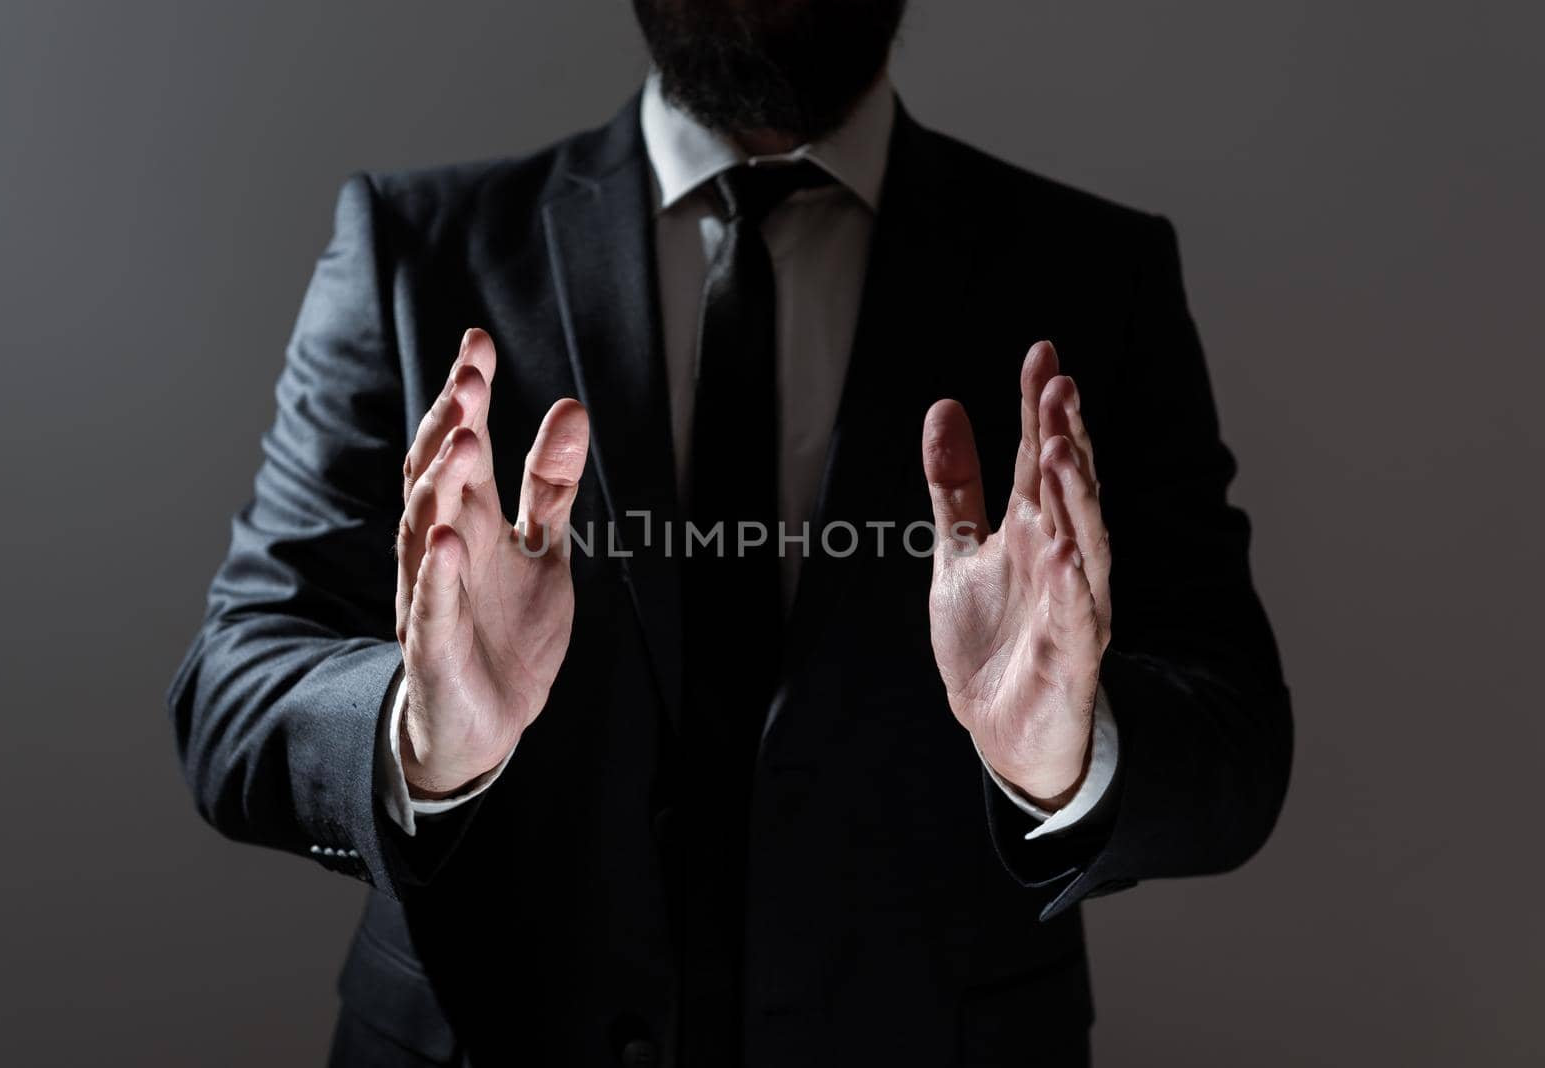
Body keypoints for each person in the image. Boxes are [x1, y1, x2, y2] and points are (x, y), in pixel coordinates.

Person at [169, 2, 1292, 1064]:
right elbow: (238, 685)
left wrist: (1066, 754)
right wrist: (419, 741)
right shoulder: (410, 247)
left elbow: (1234, 746)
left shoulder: (1095, 274)